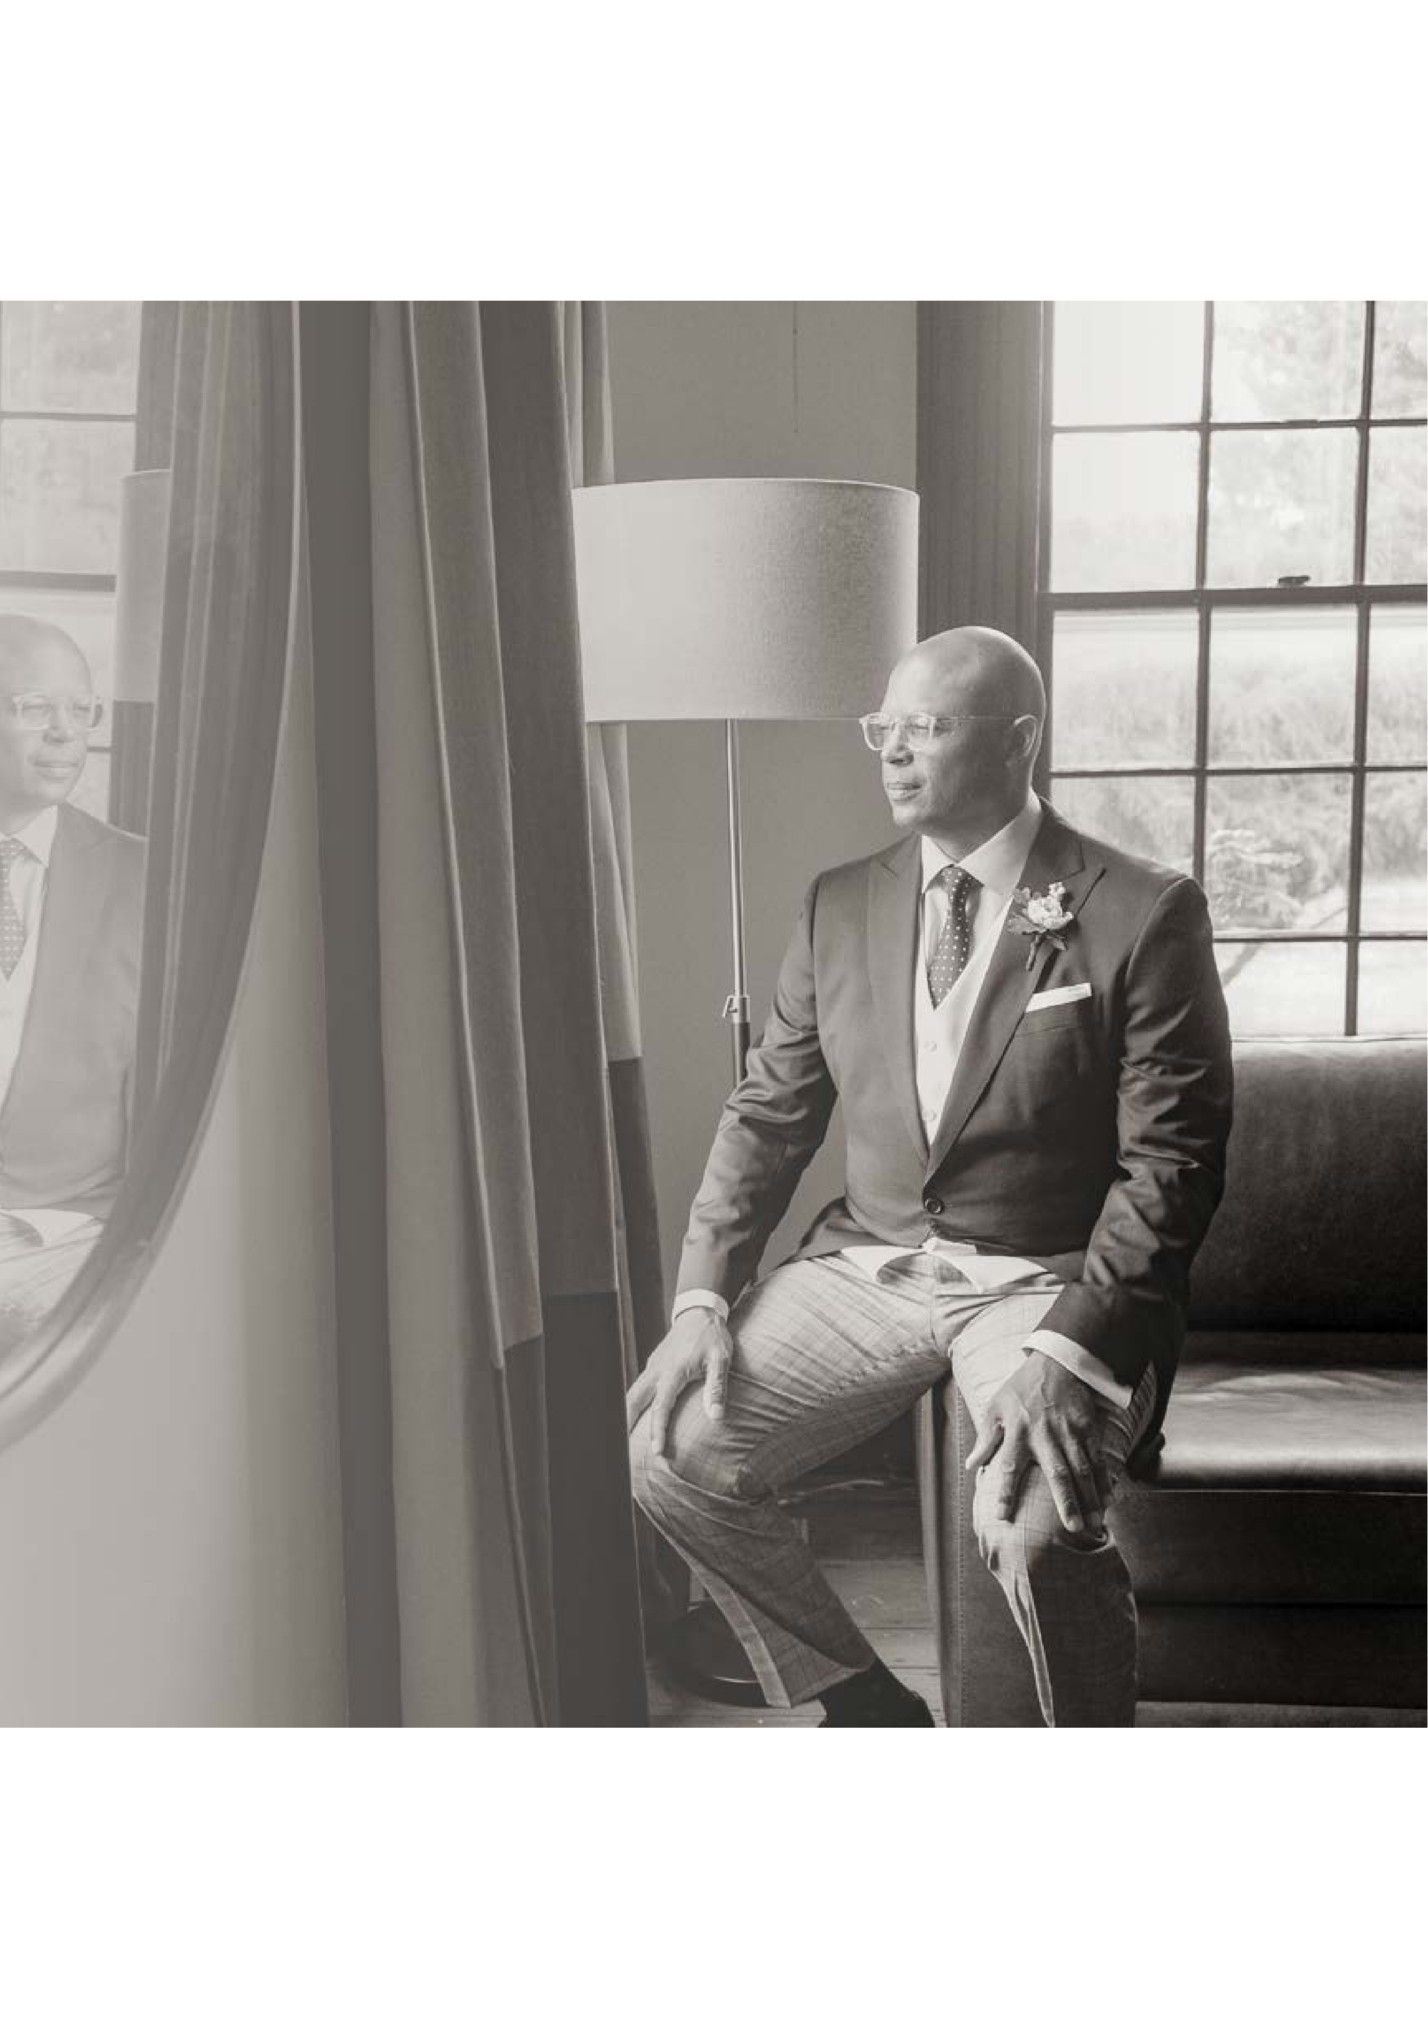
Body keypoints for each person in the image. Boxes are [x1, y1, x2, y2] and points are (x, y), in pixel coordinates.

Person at [627, 625, 1233, 1727]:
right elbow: (769, 1114)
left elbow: (1172, 1167)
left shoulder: (1143, 908)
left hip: (1047, 1281)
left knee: (1034, 1526)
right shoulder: (837, 903)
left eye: (927, 727)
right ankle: (866, 1710)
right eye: (884, 728)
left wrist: (1073, 1351)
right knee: (671, 1454)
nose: (894, 752)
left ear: (1016, 740)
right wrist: (700, 1300)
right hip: (871, 1264)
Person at [0, 613, 145, 1354]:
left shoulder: (148, 881)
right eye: (34, 707)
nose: (64, 733)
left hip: (66, 1231)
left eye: (80, 710)